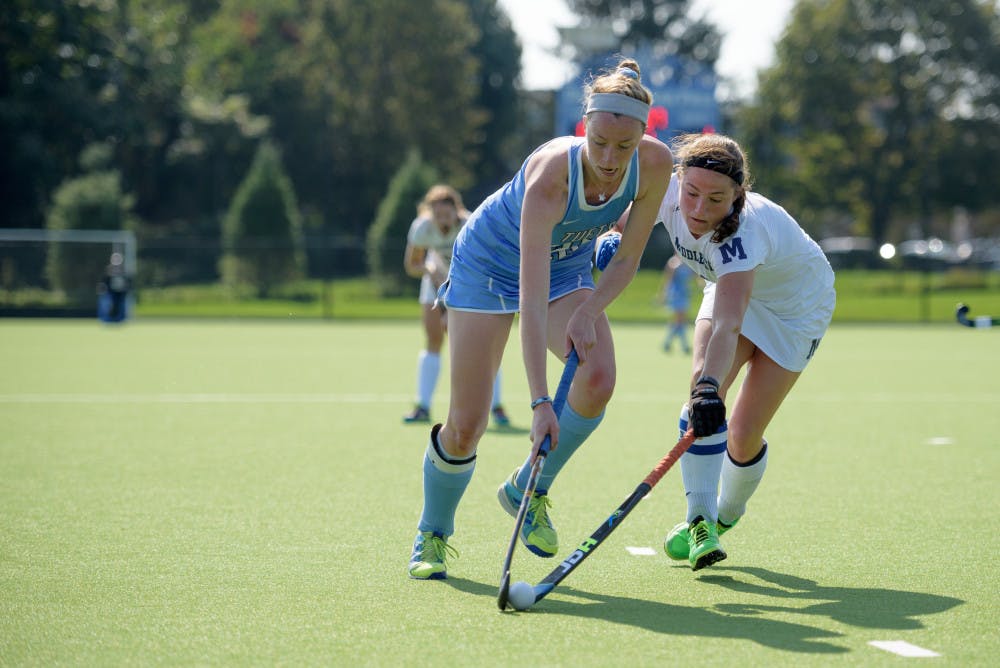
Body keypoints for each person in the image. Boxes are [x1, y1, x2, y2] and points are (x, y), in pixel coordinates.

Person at [408, 58, 673, 580]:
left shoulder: (655, 166)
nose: (610, 159)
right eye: (599, 142)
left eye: (624, 146)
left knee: (597, 377)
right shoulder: (551, 178)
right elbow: (528, 299)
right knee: (467, 426)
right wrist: (538, 403)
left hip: (566, 265)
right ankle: (432, 532)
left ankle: (528, 488)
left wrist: (589, 312)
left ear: (643, 134)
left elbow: (626, 261)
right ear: (585, 128)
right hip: (491, 264)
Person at [654, 132, 835, 570]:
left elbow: (729, 323)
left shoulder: (744, 233)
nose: (698, 210)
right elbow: (625, 215)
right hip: (735, 292)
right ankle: (701, 521)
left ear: (737, 196)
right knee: (699, 391)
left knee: (741, 430)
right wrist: (612, 237)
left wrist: (711, 388)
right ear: (679, 179)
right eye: (691, 193)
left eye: (715, 199)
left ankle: (727, 513)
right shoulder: (665, 193)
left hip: (797, 310)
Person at [401, 185, 510, 427]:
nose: (443, 221)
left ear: (456, 211)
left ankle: (497, 407)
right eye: (437, 215)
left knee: (480, 349)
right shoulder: (422, 228)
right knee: (433, 340)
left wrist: (455, 297)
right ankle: (423, 406)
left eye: (447, 215)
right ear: (430, 213)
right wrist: (430, 270)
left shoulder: (471, 224)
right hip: (435, 284)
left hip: (470, 286)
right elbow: (412, 265)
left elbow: (486, 262)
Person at [659, 254, 696, 353]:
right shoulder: (673, 262)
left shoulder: (688, 262)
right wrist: (663, 295)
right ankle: (684, 345)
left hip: (685, 294)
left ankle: (667, 343)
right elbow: (667, 280)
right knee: (680, 320)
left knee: (680, 320)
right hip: (675, 294)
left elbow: (695, 275)